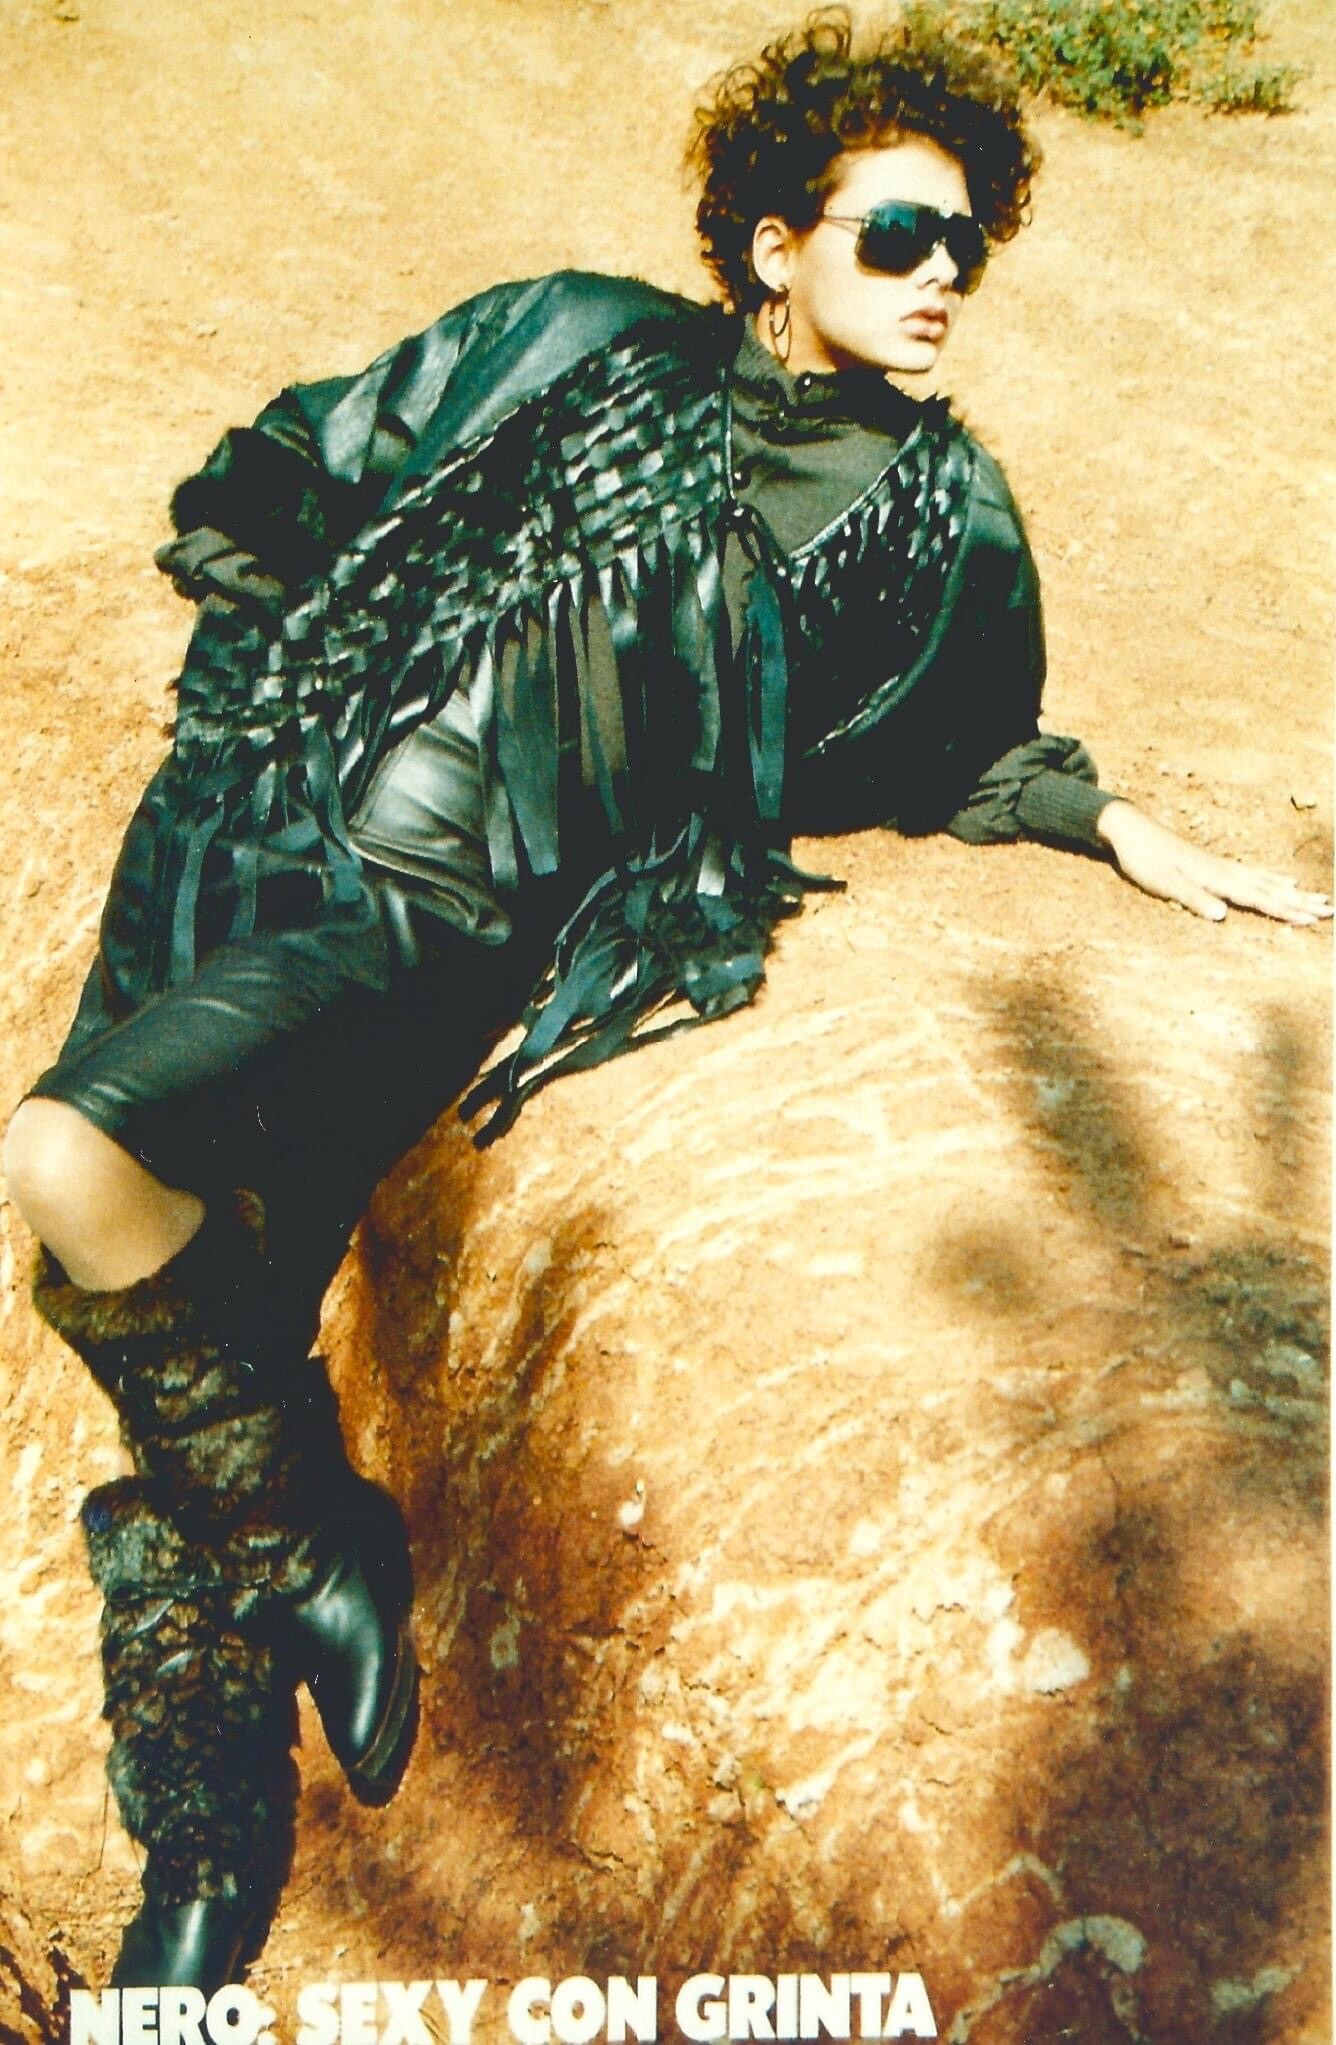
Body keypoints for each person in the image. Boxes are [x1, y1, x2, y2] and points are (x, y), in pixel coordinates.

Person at [5, 5, 1328, 1998]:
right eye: (898, 235)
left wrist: (1121, 827)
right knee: (194, 1271)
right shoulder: (573, 338)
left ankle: (290, 1581)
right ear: (775, 244)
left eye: (965, 243)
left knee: (75, 1154)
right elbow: (298, 468)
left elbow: (963, 748)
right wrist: (248, 708)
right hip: (258, 827)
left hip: (431, 914)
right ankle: (208, 1809)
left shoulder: (941, 518)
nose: (942, 278)